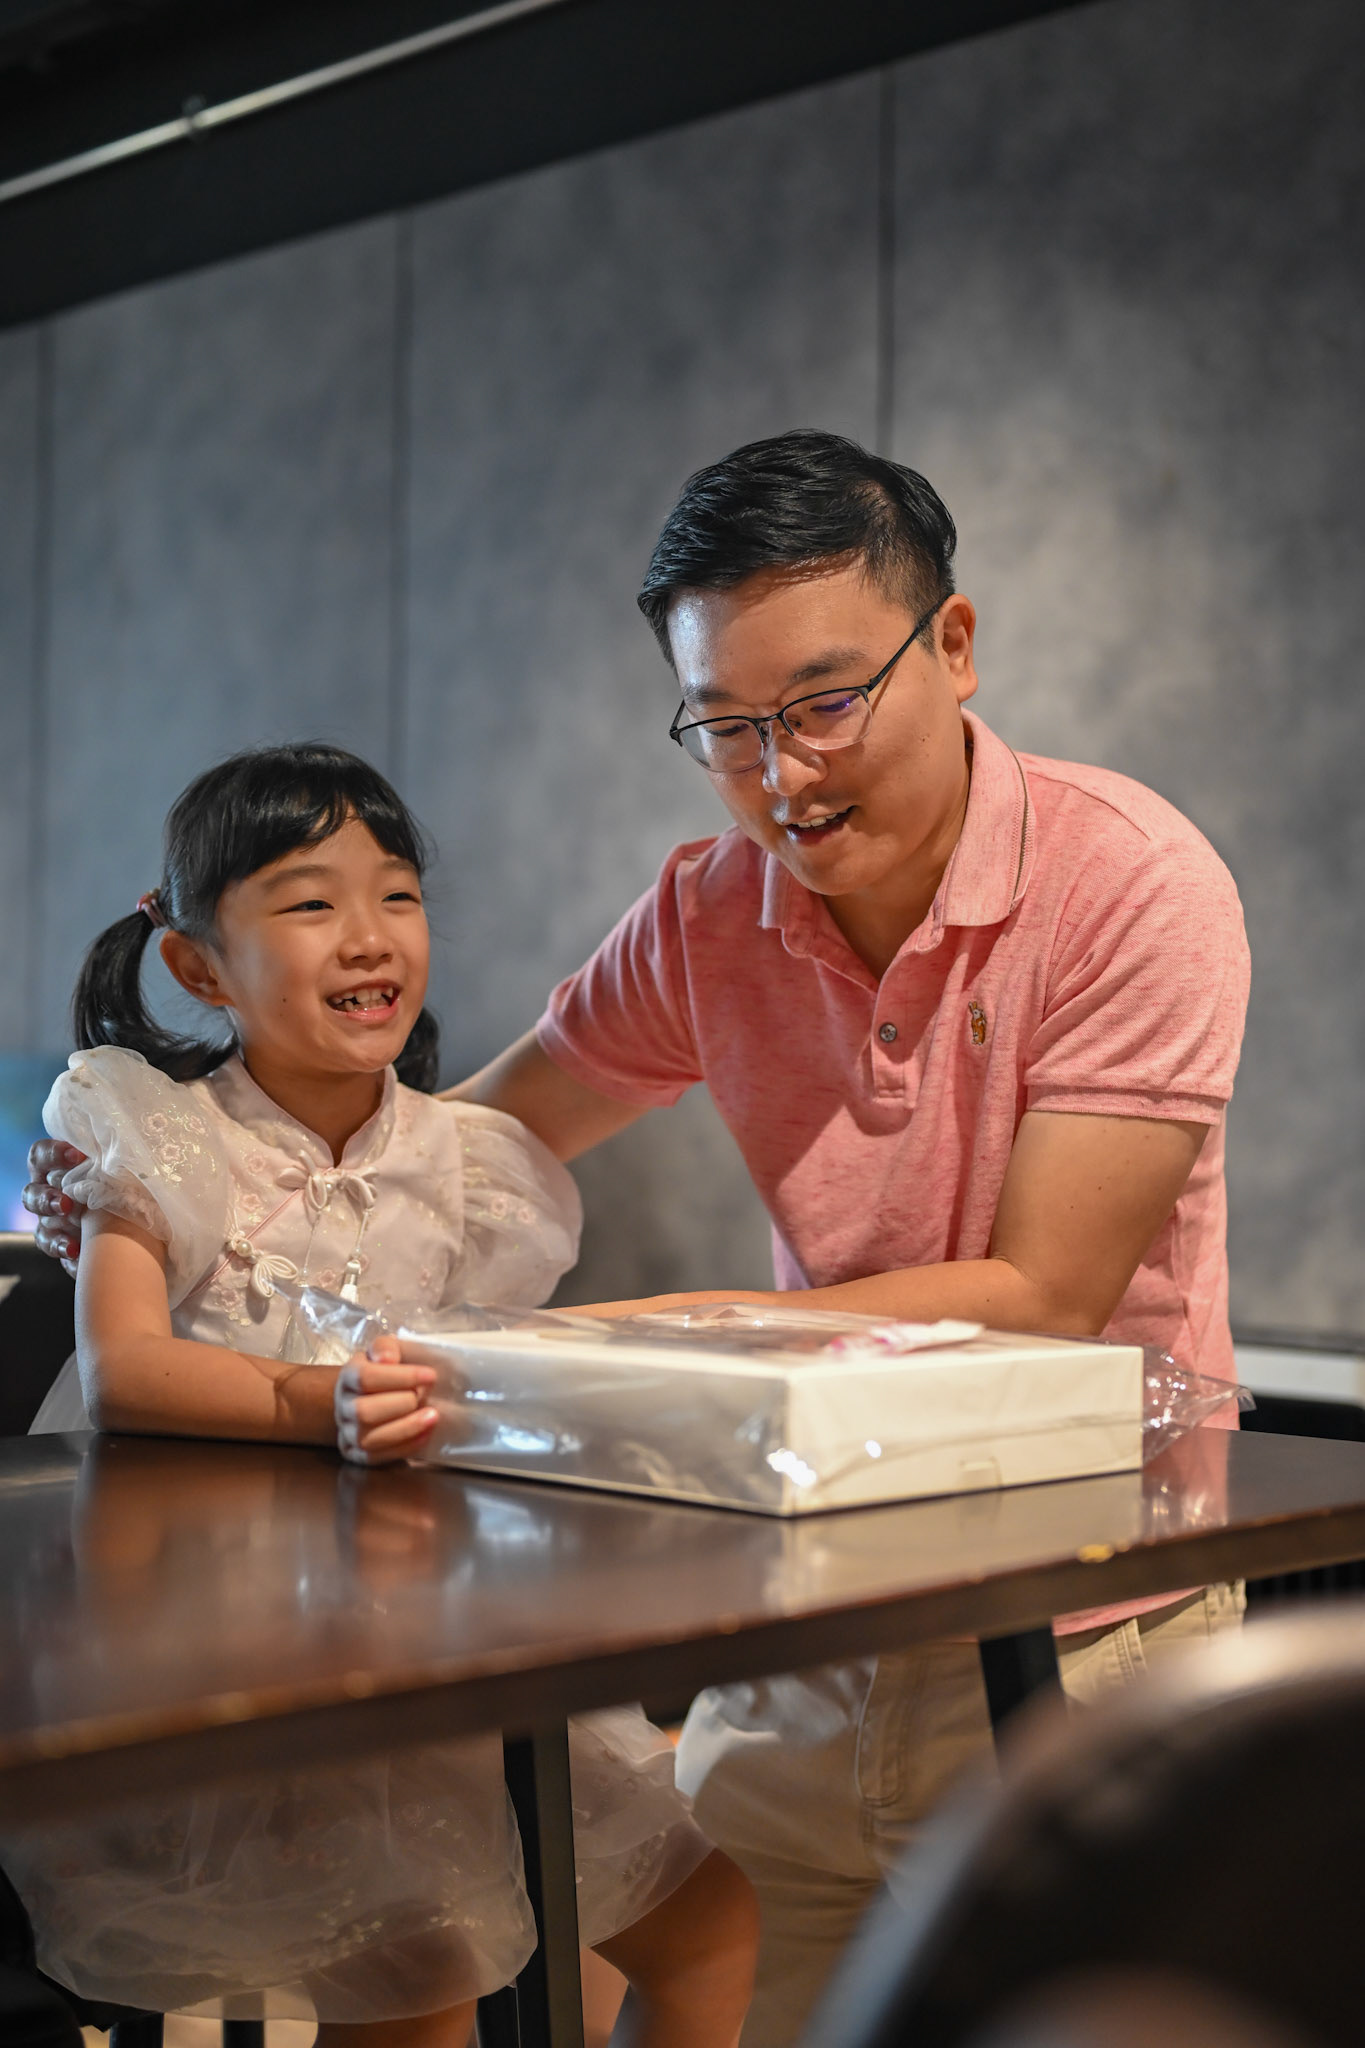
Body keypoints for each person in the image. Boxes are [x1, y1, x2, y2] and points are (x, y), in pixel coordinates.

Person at [30, 431, 1251, 2046]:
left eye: (822, 703)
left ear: (951, 644)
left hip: (1071, 1622)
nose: (782, 776)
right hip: (806, 1593)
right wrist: (195, 1174)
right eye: (723, 728)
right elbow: (458, 1142)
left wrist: (654, 1329)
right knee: (700, 1961)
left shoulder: (1127, 884)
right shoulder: (710, 909)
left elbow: (1044, 1291)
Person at [9, 742, 757, 2048]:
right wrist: (322, 1405)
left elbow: (478, 1370)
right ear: (196, 965)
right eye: (310, 902)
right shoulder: (157, 1129)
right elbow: (126, 1371)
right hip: (241, 1656)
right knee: (423, 1972)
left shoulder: (464, 1161)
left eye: (397, 896)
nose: (368, 936)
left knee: (708, 1916)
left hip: (438, 1639)